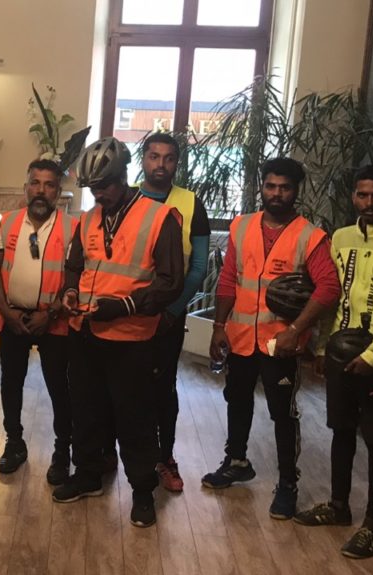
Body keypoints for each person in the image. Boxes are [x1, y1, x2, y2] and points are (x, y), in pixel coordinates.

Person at [55, 137, 184, 528]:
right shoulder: (89, 218)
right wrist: (70, 291)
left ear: (123, 176)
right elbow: (75, 265)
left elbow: (171, 282)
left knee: (135, 419)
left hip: (132, 338)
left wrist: (124, 306)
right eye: (93, 188)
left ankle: (142, 491)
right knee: (85, 411)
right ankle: (88, 474)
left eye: (105, 186)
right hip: (85, 333)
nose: (100, 195)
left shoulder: (160, 217)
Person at [294, 165, 373, 559]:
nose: (369, 202)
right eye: (362, 195)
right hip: (338, 353)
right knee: (341, 431)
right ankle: (338, 506)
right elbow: (332, 296)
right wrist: (321, 348)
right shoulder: (341, 238)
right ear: (353, 197)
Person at [202, 157, 339, 520]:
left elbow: (329, 288)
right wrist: (218, 325)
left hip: (281, 344)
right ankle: (236, 462)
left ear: (296, 191)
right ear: (262, 187)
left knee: (283, 413)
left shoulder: (310, 236)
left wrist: (296, 331)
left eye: (285, 188)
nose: (277, 194)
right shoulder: (242, 226)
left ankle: (288, 484)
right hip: (241, 337)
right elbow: (228, 279)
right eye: (271, 186)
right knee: (237, 400)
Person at [0, 159, 76, 485]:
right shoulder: (7, 222)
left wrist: (50, 313)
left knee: (59, 387)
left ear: (58, 191)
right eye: (35, 183)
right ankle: (14, 442)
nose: (41, 190)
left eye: (49, 184)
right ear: (26, 188)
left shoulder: (72, 228)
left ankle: (62, 450)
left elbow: (75, 280)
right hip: (14, 318)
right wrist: (5, 310)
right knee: (11, 383)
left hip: (54, 321)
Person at [136, 132, 211, 493]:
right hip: (129, 313)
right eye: (154, 156)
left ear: (177, 163)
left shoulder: (191, 203)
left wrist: (172, 311)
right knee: (123, 386)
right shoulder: (128, 198)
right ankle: (114, 455)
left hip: (168, 316)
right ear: (143, 159)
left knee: (163, 389)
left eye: (168, 158)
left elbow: (198, 267)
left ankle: (164, 458)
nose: (160, 165)